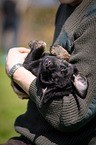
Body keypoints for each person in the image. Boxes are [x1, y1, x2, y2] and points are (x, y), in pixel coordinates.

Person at [2, 0, 96, 144]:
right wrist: (25, 82)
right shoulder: (65, 6)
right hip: (32, 135)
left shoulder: (92, 19)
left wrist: (17, 71)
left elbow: (69, 115)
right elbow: (59, 81)